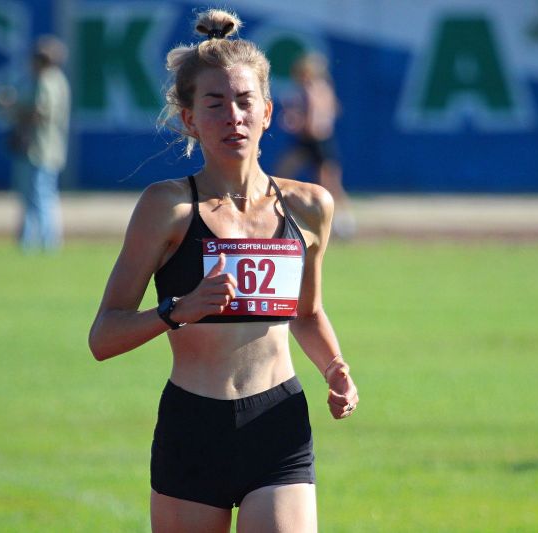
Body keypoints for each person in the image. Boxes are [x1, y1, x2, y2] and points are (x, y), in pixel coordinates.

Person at [88, 9, 359, 532]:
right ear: (190, 119)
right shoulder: (166, 207)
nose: (233, 116)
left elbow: (306, 314)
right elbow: (103, 337)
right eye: (214, 104)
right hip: (193, 428)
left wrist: (335, 368)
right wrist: (177, 310)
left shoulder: (309, 207)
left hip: (279, 424)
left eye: (244, 101)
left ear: (267, 112)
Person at [0, 35, 70, 252]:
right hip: (39, 148)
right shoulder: (47, 79)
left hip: (40, 148)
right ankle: (31, 240)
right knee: (35, 196)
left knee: (39, 196)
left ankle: (45, 242)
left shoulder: (47, 80)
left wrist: (13, 107)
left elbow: (40, 113)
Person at [275, 52, 356, 240]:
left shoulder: (314, 88)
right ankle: (280, 213)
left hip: (319, 142)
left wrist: (299, 121)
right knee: (282, 174)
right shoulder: (318, 88)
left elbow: (313, 121)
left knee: (329, 184)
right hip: (308, 141)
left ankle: (344, 222)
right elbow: (334, 109)